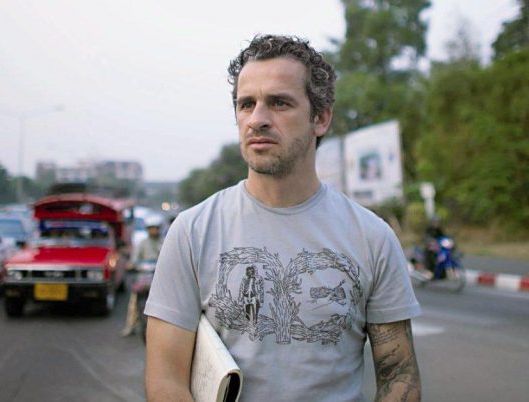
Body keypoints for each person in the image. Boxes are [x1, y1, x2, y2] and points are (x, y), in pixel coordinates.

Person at [144, 35, 422, 401]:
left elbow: (399, 378)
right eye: (246, 104)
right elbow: (165, 379)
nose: (257, 119)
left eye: (279, 103)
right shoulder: (192, 232)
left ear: (320, 118)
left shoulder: (372, 238)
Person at [120, 215, 163, 337]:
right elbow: (134, 260)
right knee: (133, 302)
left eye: (156, 228)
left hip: (160, 279)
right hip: (144, 277)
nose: (154, 231)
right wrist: (132, 265)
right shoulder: (142, 243)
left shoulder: (164, 242)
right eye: (151, 228)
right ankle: (130, 326)